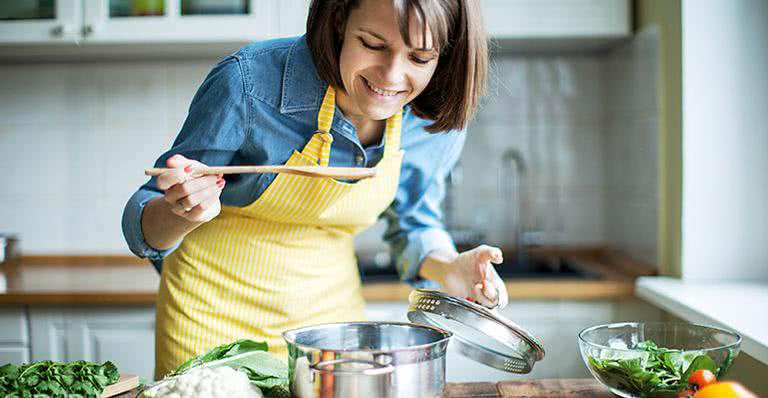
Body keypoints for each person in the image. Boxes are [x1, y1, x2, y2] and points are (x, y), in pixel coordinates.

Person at [122, 0, 508, 379]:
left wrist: (449, 268)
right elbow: (145, 221)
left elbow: (413, 223)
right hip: (208, 321)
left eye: (420, 58)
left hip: (330, 332)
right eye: (373, 44)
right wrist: (180, 210)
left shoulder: (431, 120)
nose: (392, 77)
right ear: (339, 19)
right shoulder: (249, 82)